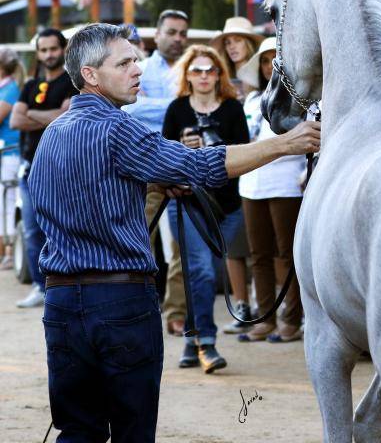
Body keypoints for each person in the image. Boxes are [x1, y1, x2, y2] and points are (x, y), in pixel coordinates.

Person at [29, 23, 320, 443]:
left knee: (78, 430)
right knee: (133, 431)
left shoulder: (52, 135)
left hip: (60, 304)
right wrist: (284, 144)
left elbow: (49, 208)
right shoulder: (118, 128)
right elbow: (200, 166)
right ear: (91, 75)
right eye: (125, 62)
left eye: (135, 60)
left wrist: (146, 181)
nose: (137, 70)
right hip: (119, 302)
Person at [162, 45, 249, 372]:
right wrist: (182, 149)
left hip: (226, 205)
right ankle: (207, 344)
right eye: (196, 70)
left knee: (205, 276)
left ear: (218, 75)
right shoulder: (177, 110)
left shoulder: (232, 110)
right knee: (200, 270)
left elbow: (244, 155)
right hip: (187, 202)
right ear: (186, 75)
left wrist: (214, 149)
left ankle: (190, 340)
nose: (202, 76)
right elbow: (162, 157)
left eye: (209, 70)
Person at [123, 9, 190, 336]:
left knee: (182, 245)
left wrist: (160, 108)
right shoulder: (141, 69)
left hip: (182, 167)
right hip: (147, 168)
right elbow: (131, 109)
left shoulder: (195, 68)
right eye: (172, 32)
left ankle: (176, 312)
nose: (178, 39)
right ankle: (141, 309)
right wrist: (178, 107)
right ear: (158, 35)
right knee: (140, 242)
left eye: (182, 33)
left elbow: (196, 111)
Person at [236, 38, 306, 343]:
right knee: (258, 254)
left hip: (287, 182)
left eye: (274, 60)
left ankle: (291, 319)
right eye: (264, 62)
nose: (269, 67)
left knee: (289, 253)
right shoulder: (251, 100)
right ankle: (264, 318)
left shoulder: (302, 99)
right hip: (251, 183)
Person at [10, 29, 76, 308]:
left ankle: (64, 288)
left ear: (63, 49)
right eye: (43, 50)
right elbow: (15, 120)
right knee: (32, 231)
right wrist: (48, 117)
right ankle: (40, 286)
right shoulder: (30, 85)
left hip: (60, 167)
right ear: (37, 53)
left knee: (61, 230)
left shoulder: (72, 82)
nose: (49, 54)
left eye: (53, 48)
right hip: (29, 167)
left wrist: (32, 114)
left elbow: (65, 116)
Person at [210, 16, 264, 331]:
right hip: (231, 169)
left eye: (237, 40)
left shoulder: (267, 79)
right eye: (227, 42)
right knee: (234, 243)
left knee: (260, 244)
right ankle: (243, 304)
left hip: (262, 169)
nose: (232, 47)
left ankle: (262, 303)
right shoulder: (224, 81)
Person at [0, 47, 24, 270]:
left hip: (11, 152)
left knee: (9, 201)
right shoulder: (6, 87)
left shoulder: (9, 89)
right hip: (6, 152)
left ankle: (9, 251)